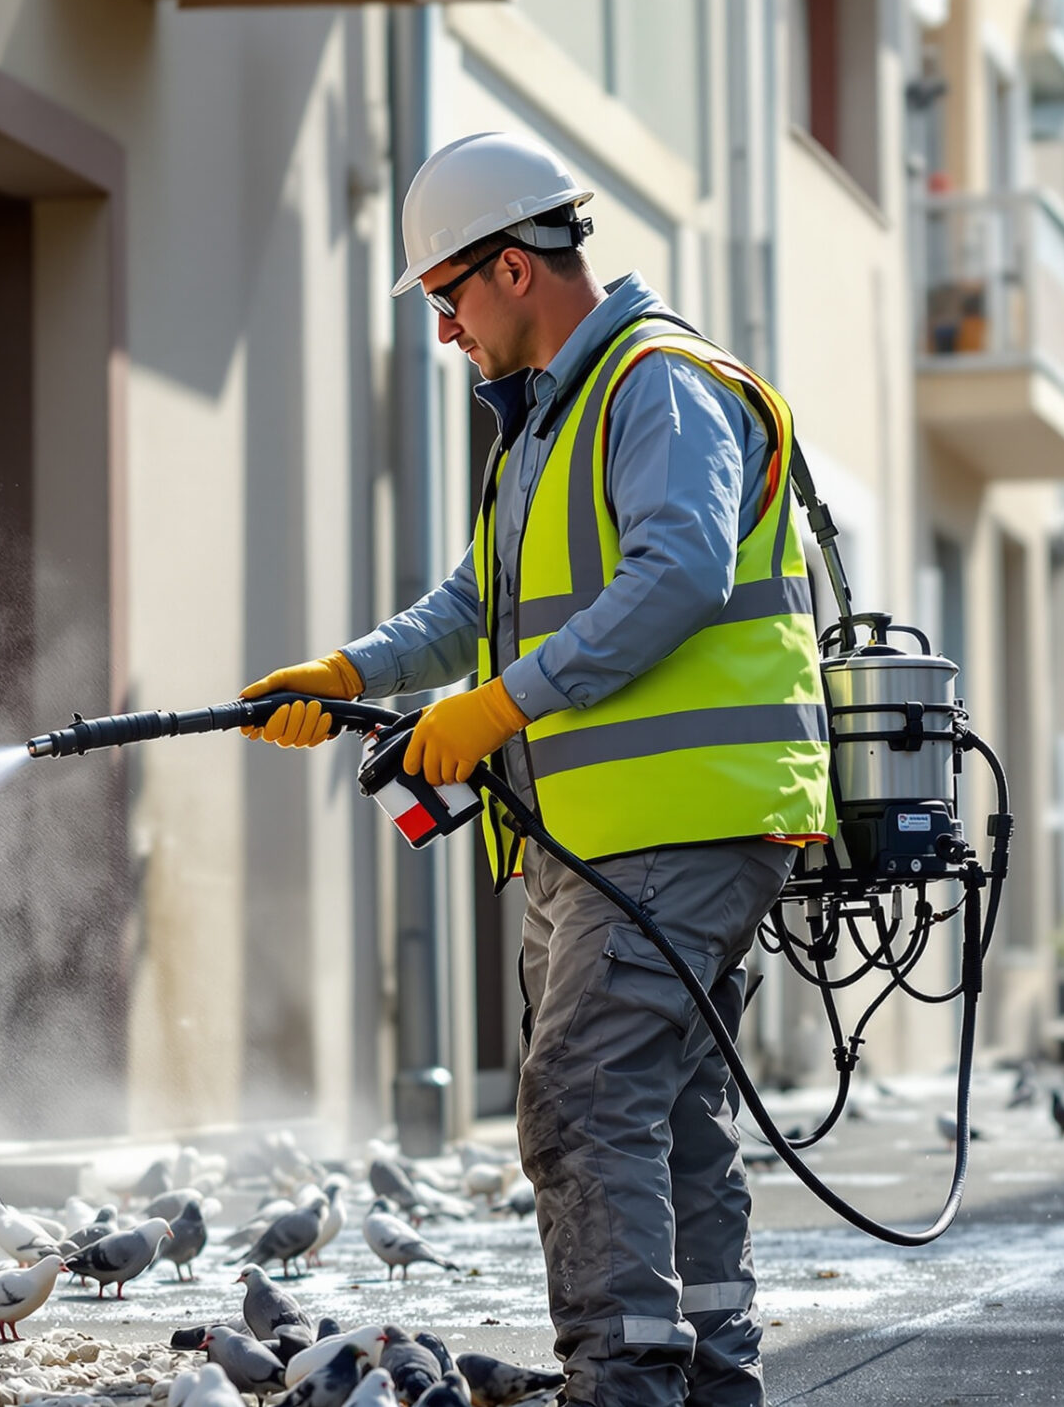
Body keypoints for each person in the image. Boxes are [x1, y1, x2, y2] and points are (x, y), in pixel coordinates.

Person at [241, 131, 832, 1407]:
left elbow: (676, 572)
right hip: (598, 836)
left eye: (448, 297)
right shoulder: (544, 424)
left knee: (579, 1095)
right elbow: (474, 601)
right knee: (664, 1118)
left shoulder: (655, 383)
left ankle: (622, 1384)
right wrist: (349, 672)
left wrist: (503, 704)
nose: (445, 331)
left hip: (680, 822)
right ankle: (707, 1381)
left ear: (514, 267)